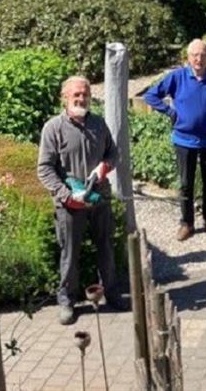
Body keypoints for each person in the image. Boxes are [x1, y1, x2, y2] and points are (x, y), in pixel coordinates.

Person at [37, 76, 125, 325]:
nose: (81, 98)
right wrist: (66, 195)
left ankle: (113, 294)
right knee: (70, 254)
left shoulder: (98, 124)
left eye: (85, 94)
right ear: (65, 97)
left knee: (105, 247)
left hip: (100, 198)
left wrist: (104, 167)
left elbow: (113, 152)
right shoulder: (53, 128)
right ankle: (66, 302)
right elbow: (44, 169)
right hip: (69, 204)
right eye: (76, 94)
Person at [143, 39, 206, 242]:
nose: (198, 59)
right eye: (194, 55)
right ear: (188, 57)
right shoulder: (177, 77)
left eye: (202, 55)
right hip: (184, 141)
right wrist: (170, 112)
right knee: (185, 184)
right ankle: (186, 223)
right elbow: (151, 95)